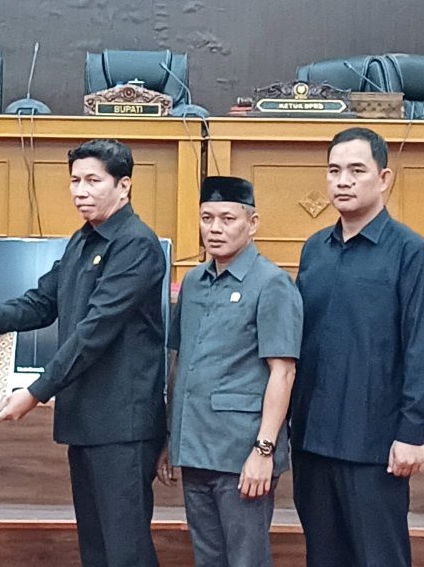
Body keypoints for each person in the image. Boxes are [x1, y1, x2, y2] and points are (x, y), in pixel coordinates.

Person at [0, 139, 167, 567]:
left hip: (122, 425)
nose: (80, 191)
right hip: (85, 420)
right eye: (74, 181)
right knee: (96, 550)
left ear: (123, 186)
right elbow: (42, 302)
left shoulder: (136, 244)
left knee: (126, 552)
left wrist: (35, 392)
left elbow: (94, 331)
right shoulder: (83, 240)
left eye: (92, 181)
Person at [291, 127, 424, 567]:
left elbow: (421, 348)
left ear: (384, 178)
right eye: (334, 170)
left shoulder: (411, 252)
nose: (343, 181)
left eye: (357, 171)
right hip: (312, 439)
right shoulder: (314, 249)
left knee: (379, 557)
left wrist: (411, 432)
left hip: (374, 443)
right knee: (323, 556)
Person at [156, 176, 303, 567]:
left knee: (245, 560)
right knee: (208, 558)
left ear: (252, 224)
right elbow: (180, 361)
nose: (215, 229)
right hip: (195, 448)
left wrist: (263, 451)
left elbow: (283, 373)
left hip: (242, 452)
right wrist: (171, 437)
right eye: (207, 218)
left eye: (227, 218)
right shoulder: (193, 282)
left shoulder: (272, 284)